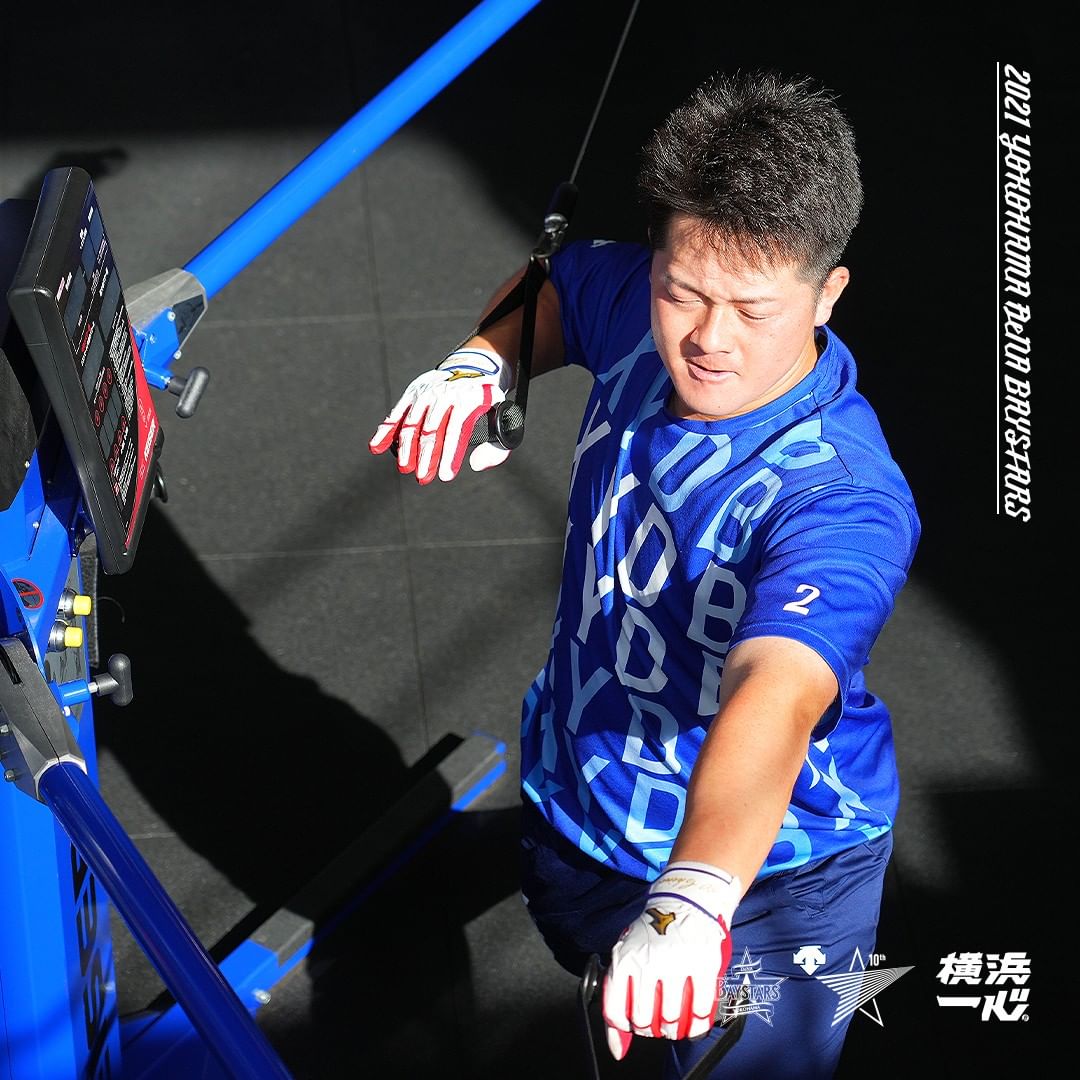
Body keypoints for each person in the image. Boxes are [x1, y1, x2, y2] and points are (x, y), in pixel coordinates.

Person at [370, 69, 920, 1079]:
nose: (708, 339)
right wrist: (482, 364)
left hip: (771, 878)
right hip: (580, 803)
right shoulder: (642, 304)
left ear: (828, 293)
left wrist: (694, 894)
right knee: (609, 1027)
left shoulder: (844, 500)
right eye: (685, 292)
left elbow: (776, 694)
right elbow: (559, 288)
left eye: (753, 308)